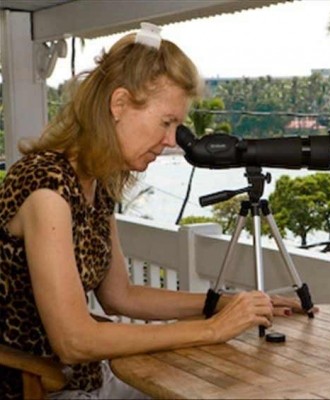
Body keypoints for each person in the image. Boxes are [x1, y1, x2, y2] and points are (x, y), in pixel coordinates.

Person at [0, 23, 314, 399]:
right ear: (119, 105)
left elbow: (121, 297)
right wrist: (213, 329)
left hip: (84, 377)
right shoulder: (47, 186)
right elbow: (74, 340)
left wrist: (222, 305)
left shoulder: (96, 182)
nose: (170, 142)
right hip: (38, 386)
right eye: (167, 123)